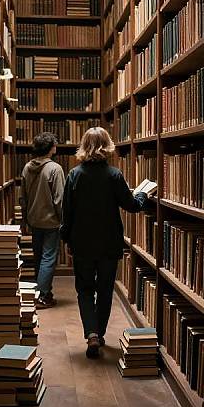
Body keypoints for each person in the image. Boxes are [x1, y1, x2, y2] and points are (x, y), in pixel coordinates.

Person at [60, 127, 148, 358]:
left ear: (84, 146)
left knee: (85, 290)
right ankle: (99, 331)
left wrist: (66, 239)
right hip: (109, 243)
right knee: (106, 290)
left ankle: (91, 334)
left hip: (82, 243)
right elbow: (131, 205)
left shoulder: (74, 175)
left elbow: (66, 212)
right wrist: (143, 195)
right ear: (107, 145)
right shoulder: (114, 175)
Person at [20, 132, 65, 309]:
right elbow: (59, 199)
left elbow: (23, 197)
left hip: (34, 219)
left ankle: (44, 293)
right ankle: (41, 296)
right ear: (51, 148)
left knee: (39, 257)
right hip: (51, 221)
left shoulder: (26, 167)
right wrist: (64, 221)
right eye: (55, 144)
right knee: (49, 258)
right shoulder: (55, 169)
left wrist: (25, 220)